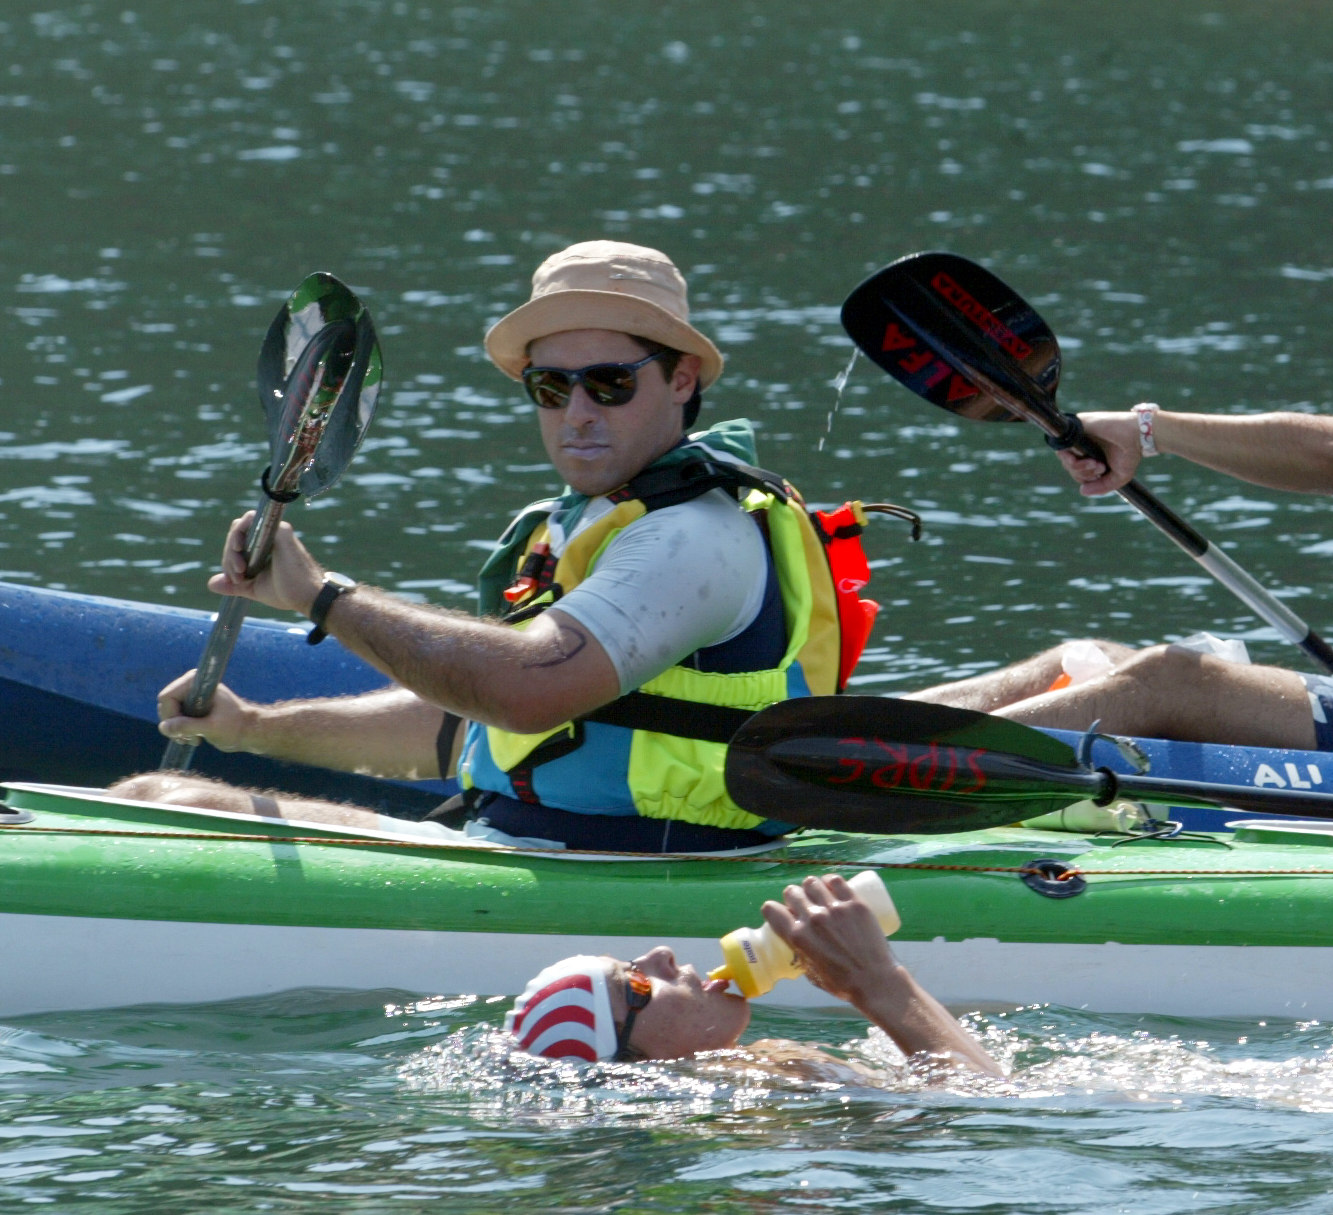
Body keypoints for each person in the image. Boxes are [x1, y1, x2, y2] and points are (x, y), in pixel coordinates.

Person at [114, 241, 847, 853]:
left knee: (159, 797)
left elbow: (525, 690)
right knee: (158, 796)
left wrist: (322, 596)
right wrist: (253, 729)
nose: (579, 414)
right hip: (525, 850)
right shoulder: (578, 522)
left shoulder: (692, 537)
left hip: (634, 878)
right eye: (552, 387)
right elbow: (463, 724)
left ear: (682, 379)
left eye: (610, 384)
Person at [913, 162, 1333, 763]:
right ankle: (847, 726)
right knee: (1081, 660)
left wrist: (1150, 430)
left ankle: (880, 770)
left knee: (1168, 680)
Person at [504, 874, 1002, 1077]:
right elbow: (982, 1116)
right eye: (635, 983)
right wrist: (876, 981)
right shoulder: (750, 1102)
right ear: (630, 1065)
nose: (661, 954)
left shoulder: (761, 1069)